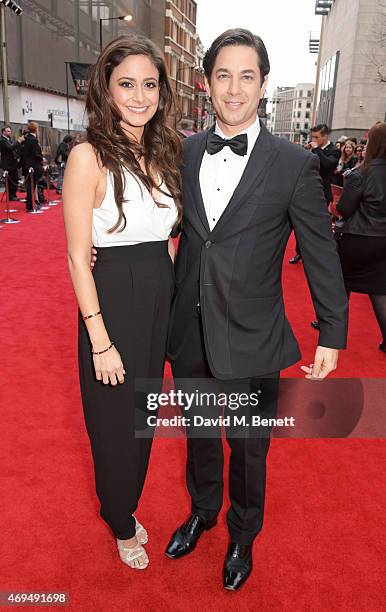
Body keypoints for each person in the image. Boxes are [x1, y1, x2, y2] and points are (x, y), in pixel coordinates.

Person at [164, 29, 348, 591]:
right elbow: (162, 220)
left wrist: (332, 332)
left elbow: (319, 251)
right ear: (207, 83)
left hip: (252, 334)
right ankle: (203, 511)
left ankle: (243, 536)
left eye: (247, 76)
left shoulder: (294, 164)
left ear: (263, 84)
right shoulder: (186, 150)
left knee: (247, 446)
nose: (235, 88)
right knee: (198, 433)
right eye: (224, 75)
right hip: (190, 327)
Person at [62, 35, 181, 570]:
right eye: (126, 84)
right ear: (105, 91)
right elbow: (75, 257)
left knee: (143, 417)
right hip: (112, 297)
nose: (139, 96)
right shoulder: (88, 156)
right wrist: (99, 339)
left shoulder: (163, 151)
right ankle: (120, 518)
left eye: (149, 84)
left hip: (160, 290)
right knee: (113, 424)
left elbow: (169, 240)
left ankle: (125, 504)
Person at [336, 122, 386, 353]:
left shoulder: (360, 174)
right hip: (382, 241)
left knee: (341, 284)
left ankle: (335, 333)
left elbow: (345, 209)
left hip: (357, 238)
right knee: (379, 291)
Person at [290, 123, 340, 265]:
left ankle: (318, 256)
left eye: (317, 137)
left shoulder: (334, 150)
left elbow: (327, 165)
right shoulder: (311, 149)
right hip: (305, 192)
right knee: (301, 224)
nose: (314, 139)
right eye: (313, 137)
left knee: (320, 226)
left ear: (325, 136)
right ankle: (300, 252)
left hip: (323, 193)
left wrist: (317, 149)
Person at [21, 122, 44, 212]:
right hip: (33, 166)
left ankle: (31, 204)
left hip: (29, 165)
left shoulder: (27, 138)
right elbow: (35, 153)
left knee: (31, 186)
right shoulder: (33, 140)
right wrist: (41, 159)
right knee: (31, 186)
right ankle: (31, 205)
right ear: (35, 129)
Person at [0, 126, 24, 200]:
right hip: (7, 163)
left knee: (15, 179)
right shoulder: (2, 140)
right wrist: (18, 141)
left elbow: (14, 149)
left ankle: (13, 194)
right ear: (3, 132)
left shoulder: (9, 139)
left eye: (10, 131)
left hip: (13, 162)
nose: (9, 132)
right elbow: (10, 148)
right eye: (7, 131)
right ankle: (11, 196)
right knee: (11, 180)